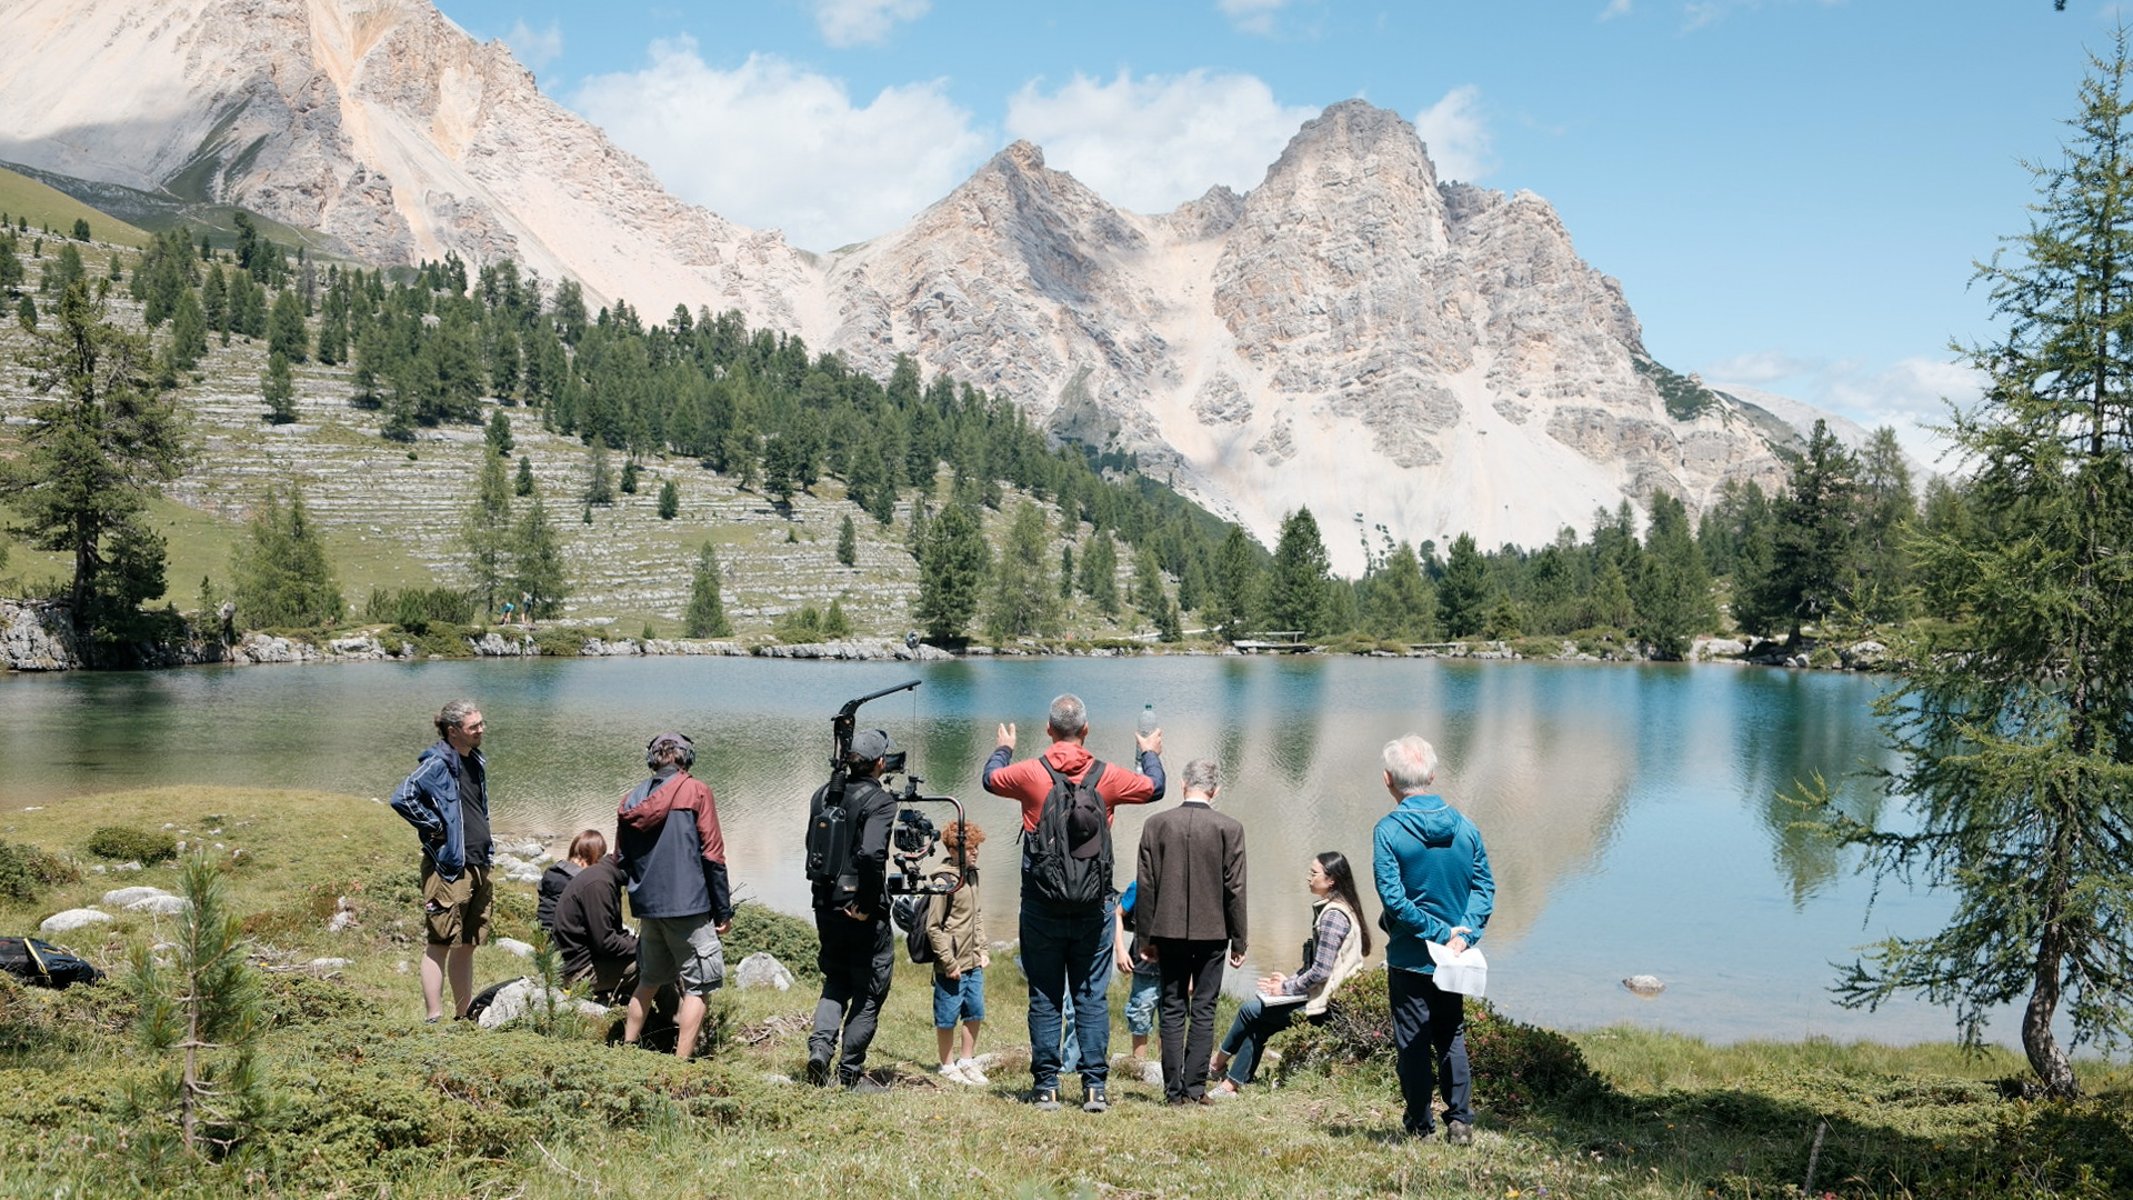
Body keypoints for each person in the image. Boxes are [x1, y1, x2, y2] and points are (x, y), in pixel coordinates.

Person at [982, 693, 1165, 1113]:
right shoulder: (1108, 777)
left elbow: (989, 779)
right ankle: (1094, 1089)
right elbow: (1156, 788)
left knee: (1045, 995)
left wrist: (1004, 747)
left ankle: (1046, 1088)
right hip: (1094, 907)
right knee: (1090, 996)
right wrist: (1148, 753)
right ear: (1085, 730)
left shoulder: (1029, 773)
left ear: (1048, 730)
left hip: (1041, 905)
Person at [1371, 734, 1494, 1145]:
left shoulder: (1389, 830)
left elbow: (1392, 897)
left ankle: (1420, 1125)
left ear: (1388, 779)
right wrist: (1464, 934)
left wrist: (1439, 934)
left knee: (1413, 1040)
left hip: (1410, 955)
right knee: (1450, 1035)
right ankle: (1459, 1121)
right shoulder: (1466, 826)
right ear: (1433, 776)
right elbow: (1484, 888)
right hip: (1455, 958)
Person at [1208, 850, 1373, 1097]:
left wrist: (1284, 989)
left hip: (1327, 1008)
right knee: (1258, 1024)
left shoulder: (1333, 916)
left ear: (1331, 880)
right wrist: (1291, 980)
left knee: (1250, 1012)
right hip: (1326, 999)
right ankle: (1231, 1084)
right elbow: (1317, 967)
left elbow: (1321, 970)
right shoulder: (1340, 908)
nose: (1309, 878)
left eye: (1314, 873)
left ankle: (1216, 1067)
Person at [1133, 757, 1247, 1106]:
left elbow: (1146, 885)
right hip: (1213, 931)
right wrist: (1239, 939)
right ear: (1216, 791)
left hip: (1166, 931)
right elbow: (1235, 888)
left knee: (1171, 1006)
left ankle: (1172, 1091)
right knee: (1204, 1007)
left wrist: (1145, 938)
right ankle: (1195, 1088)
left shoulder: (1156, 824)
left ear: (1184, 785)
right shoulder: (1230, 828)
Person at [615, 731, 732, 1060]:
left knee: (649, 980)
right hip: (689, 906)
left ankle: (626, 1050)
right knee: (699, 986)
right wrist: (723, 911)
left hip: (648, 907)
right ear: (686, 758)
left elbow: (620, 861)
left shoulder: (630, 799)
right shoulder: (697, 791)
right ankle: (681, 1064)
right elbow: (713, 855)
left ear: (652, 760)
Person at [806, 727, 901, 1091]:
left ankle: (819, 1050)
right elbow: (872, 854)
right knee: (869, 989)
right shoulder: (881, 802)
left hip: (825, 903)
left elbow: (811, 844)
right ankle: (850, 1073)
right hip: (861, 912)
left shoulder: (822, 794)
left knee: (836, 980)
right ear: (880, 763)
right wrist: (864, 902)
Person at [389, 699, 493, 1023]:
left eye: (480, 723)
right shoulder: (436, 763)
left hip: (477, 863)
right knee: (441, 941)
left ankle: (463, 1017)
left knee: (467, 944)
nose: (480, 730)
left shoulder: (475, 761)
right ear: (453, 731)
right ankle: (434, 1017)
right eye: (473, 726)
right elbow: (402, 796)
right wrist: (435, 828)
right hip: (448, 868)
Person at [927, 820, 990, 1086]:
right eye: (970, 848)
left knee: (975, 1012)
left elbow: (975, 916)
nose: (975, 852)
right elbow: (933, 926)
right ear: (954, 850)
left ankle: (967, 1061)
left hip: (973, 961)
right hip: (951, 964)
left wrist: (983, 949)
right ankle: (947, 1065)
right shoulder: (944, 881)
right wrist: (949, 962)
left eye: (977, 847)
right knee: (947, 1016)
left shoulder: (972, 874)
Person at [550, 849, 641, 1004]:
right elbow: (606, 943)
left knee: (653, 958)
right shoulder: (600, 885)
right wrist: (643, 946)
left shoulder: (604, 876)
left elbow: (613, 933)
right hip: (578, 972)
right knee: (655, 967)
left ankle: (674, 1017)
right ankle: (679, 1021)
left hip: (582, 962)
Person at [1113, 880, 1161, 1080]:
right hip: (1144, 965)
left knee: (1171, 1019)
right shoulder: (1139, 885)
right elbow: (1118, 914)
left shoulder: (1184, 883)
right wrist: (1120, 950)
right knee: (1140, 1013)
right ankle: (1138, 1066)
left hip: (1176, 965)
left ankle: (1166, 1068)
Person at [538, 829, 606, 934]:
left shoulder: (552, 871)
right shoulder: (585, 881)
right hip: (568, 941)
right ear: (595, 857)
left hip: (541, 934)